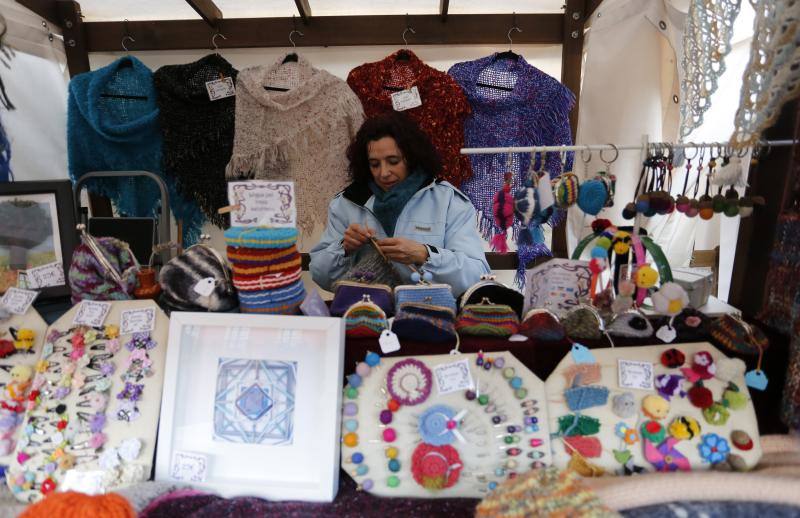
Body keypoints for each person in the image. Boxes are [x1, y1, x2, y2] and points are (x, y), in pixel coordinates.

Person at [310, 112, 490, 296]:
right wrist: (343, 248)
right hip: (364, 318)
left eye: (393, 161)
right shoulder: (346, 203)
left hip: (430, 316)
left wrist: (425, 255)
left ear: (411, 157)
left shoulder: (447, 201)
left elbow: (476, 274)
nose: (384, 173)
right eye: (374, 164)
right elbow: (319, 274)